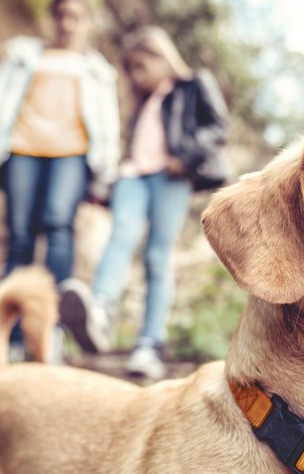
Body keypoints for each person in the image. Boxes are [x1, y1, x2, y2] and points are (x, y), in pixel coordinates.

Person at [0, 0, 120, 361]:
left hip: (72, 155)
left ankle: (52, 332)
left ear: (88, 24)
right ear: (52, 18)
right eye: (61, 14)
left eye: (76, 16)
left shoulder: (97, 72)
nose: (67, 23)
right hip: (21, 151)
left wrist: (104, 173)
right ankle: (12, 338)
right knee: (19, 238)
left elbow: (108, 126)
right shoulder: (22, 57)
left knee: (59, 227)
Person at [59, 25, 228, 379]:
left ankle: (150, 344)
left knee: (157, 255)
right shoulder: (143, 105)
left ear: (161, 56)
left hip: (171, 177)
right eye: (132, 70)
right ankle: (101, 312)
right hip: (134, 176)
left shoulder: (194, 84)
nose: (136, 77)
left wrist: (186, 157)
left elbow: (217, 127)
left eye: (140, 66)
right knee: (121, 235)